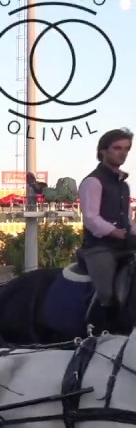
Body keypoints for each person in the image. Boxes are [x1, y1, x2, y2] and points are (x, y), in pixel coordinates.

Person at [77, 128, 136, 310]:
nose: (123, 153)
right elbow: (91, 218)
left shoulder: (124, 185)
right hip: (99, 248)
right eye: (117, 148)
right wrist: (116, 232)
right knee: (106, 293)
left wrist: (131, 232)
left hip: (124, 246)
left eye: (126, 149)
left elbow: (127, 219)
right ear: (103, 151)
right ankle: (97, 328)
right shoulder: (93, 181)